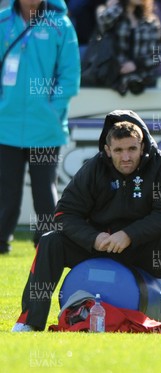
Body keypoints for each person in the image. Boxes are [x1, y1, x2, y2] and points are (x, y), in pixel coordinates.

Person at [12, 110, 161, 335]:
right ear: (107, 149)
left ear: (143, 147)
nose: (126, 157)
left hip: (145, 250)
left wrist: (129, 235)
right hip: (100, 247)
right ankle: (29, 321)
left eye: (132, 149)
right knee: (50, 241)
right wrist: (94, 238)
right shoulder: (94, 168)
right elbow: (63, 215)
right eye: (119, 150)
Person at [0, 0, 80, 254]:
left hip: (46, 128)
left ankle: (47, 245)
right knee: (6, 191)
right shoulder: (2, 22)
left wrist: (53, 111)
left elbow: (70, 76)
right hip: (5, 125)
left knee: (44, 193)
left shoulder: (61, 25)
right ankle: (1, 242)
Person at [96, 0, 161, 95]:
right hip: (113, 82)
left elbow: (157, 57)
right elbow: (102, 21)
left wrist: (136, 64)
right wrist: (118, 5)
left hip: (144, 84)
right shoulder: (115, 16)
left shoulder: (151, 21)